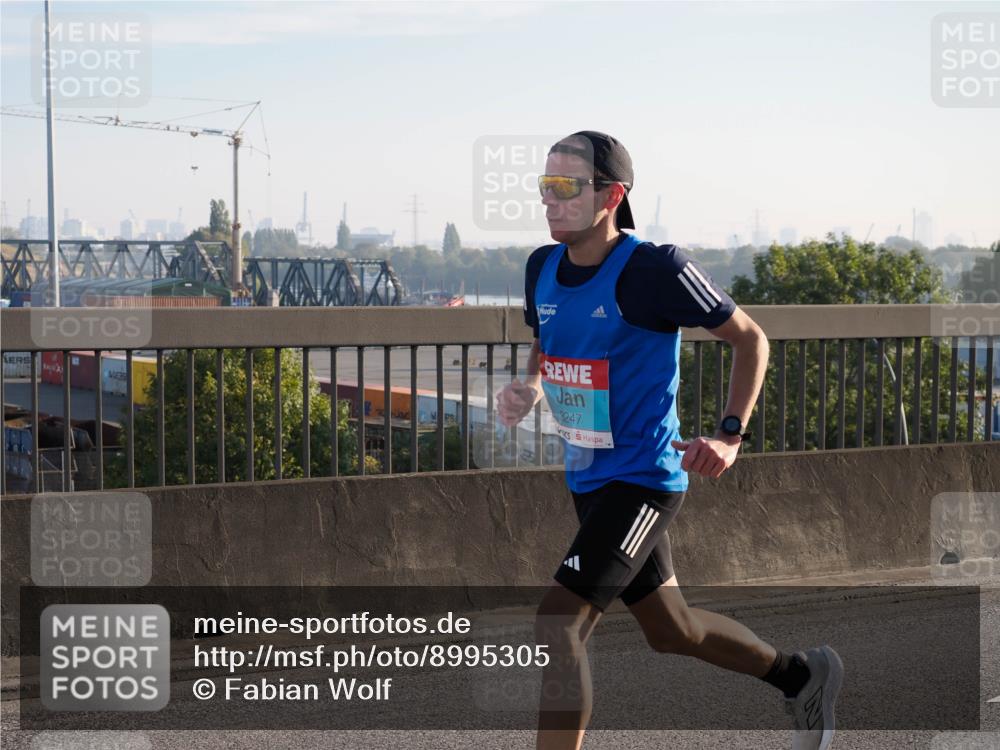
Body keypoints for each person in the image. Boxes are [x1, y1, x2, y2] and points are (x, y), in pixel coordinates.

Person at [495, 131, 843, 750]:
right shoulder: (539, 268)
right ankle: (800, 676)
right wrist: (531, 387)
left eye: (565, 187)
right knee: (671, 630)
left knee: (558, 622)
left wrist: (729, 434)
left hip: (644, 482)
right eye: (544, 187)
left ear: (611, 194)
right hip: (589, 479)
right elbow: (548, 343)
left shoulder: (656, 269)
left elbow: (750, 339)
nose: (550, 201)